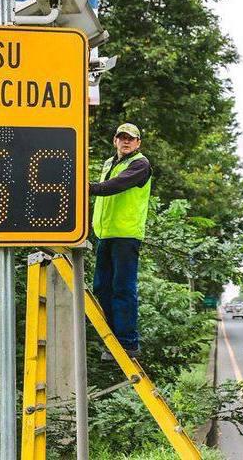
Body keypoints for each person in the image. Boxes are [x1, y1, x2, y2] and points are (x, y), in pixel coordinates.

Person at [90, 123, 152, 358]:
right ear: (115, 140)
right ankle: (114, 339)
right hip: (105, 234)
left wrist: (90, 188)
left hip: (126, 235)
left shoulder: (140, 164)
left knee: (122, 287)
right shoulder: (109, 163)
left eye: (131, 139)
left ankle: (128, 341)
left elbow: (116, 185)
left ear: (138, 143)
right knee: (101, 287)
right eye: (122, 138)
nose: (126, 142)